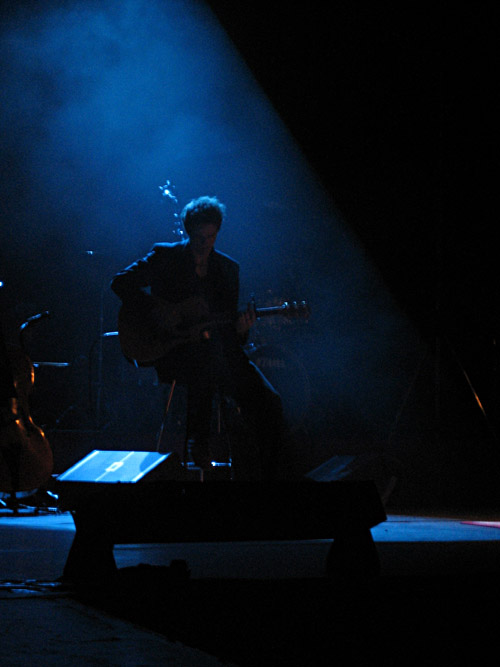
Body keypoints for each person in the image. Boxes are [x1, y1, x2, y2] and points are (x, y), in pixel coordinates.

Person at [111, 195, 287, 478]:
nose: (205, 243)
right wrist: (160, 309)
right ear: (187, 231)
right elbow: (120, 283)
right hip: (171, 350)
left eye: (211, 236)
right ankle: (199, 441)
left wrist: (242, 329)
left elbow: (230, 333)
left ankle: (271, 475)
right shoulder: (165, 256)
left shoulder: (228, 270)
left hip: (218, 354)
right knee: (205, 360)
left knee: (269, 400)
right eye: (198, 236)